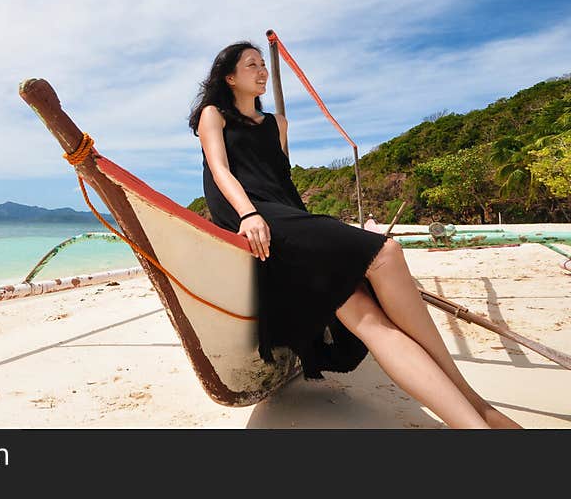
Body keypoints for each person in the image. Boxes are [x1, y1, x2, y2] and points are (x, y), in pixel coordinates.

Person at [188, 41, 522, 429]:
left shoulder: (278, 124)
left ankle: (477, 420)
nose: (261, 71)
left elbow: (283, 182)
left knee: (373, 321)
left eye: (264, 64)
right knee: (387, 252)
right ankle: (476, 404)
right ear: (229, 77)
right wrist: (248, 214)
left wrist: (312, 231)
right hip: (255, 220)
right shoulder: (213, 115)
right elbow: (219, 171)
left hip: (290, 220)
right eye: (251, 65)